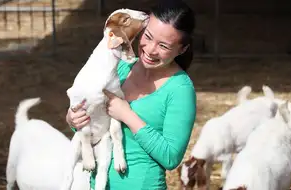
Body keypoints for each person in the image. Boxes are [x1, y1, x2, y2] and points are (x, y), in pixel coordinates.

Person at [65, 0, 197, 189]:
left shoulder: (180, 89)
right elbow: (92, 124)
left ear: (182, 49)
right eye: (148, 36)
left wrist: (127, 115)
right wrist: (74, 119)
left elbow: (171, 157)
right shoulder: (120, 67)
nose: (150, 50)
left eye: (164, 46)